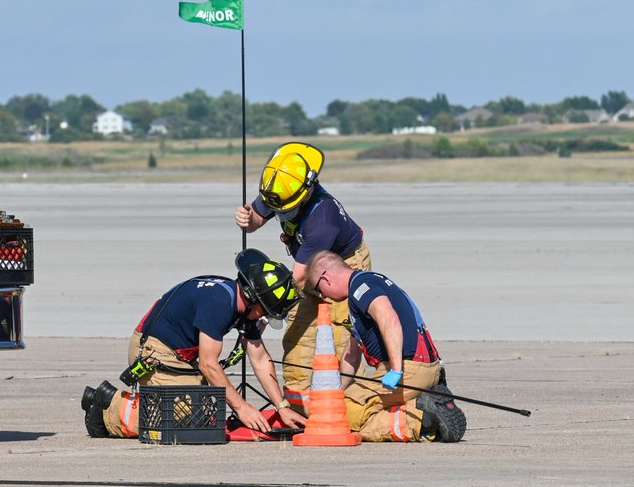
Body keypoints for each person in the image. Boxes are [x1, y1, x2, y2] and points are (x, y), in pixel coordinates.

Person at [82, 249, 309, 438]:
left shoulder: (242, 303)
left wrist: (282, 407)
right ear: (254, 300)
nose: (265, 319)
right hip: (155, 352)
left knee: (206, 414)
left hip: (178, 356)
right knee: (187, 417)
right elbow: (209, 365)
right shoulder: (219, 303)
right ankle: (107, 408)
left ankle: (122, 401)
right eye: (266, 313)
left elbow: (259, 359)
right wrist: (242, 408)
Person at [234, 142, 371, 414]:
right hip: (305, 266)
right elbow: (257, 219)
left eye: (286, 210)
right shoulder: (281, 186)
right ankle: (299, 410)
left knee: (343, 343)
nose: (281, 214)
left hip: (343, 269)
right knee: (297, 338)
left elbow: (296, 279)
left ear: (306, 193)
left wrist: (262, 314)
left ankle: (348, 409)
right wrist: (246, 219)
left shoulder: (322, 220)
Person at [305, 251, 465, 442]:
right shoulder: (369, 284)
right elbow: (352, 354)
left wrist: (396, 370)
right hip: (424, 369)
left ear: (326, 278)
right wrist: (336, 391)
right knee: (338, 404)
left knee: (341, 415)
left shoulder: (361, 287)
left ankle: (422, 420)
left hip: (408, 370)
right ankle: (424, 406)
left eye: (318, 289)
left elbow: (388, 318)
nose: (323, 296)